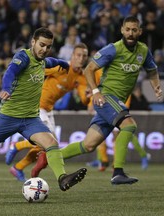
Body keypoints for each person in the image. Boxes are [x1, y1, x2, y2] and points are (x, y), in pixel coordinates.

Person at [32, 16, 163, 185]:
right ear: (122, 30)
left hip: (115, 102)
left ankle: (50, 157)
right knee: (129, 125)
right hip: (106, 97)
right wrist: (95, 92)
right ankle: (118, 172)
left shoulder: (143, 51)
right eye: (128, 29)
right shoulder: (113, 49)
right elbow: (89, 69)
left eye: (134, 30)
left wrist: (156, 86)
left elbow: (152, 70)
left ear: (140, 31)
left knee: (88, 145)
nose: (130, 33)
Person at [0, 27, 87, 192]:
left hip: (31, 119)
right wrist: (6, 88)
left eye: (48, 46)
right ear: (33, 42)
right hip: (8, 117)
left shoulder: (43, 61)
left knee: (52, 143)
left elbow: (51, 61)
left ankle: (62, 178)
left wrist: (62, 63)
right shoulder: (23, 57)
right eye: (41, 45)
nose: (44, 49)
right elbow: (10, 72)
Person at [4, 43, 93, 181]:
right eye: (78, 55)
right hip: (37, 106)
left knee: (48, 146)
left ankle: (18, 167)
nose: (81, 58)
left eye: (84, 56)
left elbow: (83, 99)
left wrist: (88, 97)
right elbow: (37, 70)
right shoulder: (61, 68)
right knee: (48, 141)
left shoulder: (81, 78)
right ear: (72, 56)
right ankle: (17, 145)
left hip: (48, 110)